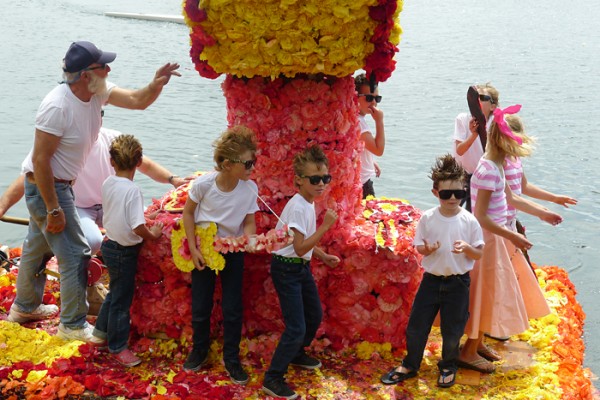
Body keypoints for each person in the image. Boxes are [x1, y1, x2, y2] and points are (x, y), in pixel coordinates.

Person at [7, 40, 180, 344]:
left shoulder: (98, 92)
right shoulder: (57, 106)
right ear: (86, 74)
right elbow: (39, 160)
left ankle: (24, 307)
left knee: (36, 247)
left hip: (61, 186)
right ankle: (72, 323)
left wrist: (156, 83)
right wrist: (53, 208)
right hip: (47, 186)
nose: (109, 69)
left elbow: (139, 100)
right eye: (103, 65)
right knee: (76, 252)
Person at [458, 105, 560, 373]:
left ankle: (476, 344)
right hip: (488, 239)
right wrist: (512, 235)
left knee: (489, 292)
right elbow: (480, 216)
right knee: (484, 293)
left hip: (497, 236)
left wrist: (543, 213)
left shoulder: (495, 164)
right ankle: (468, 351)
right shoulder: (488, 170)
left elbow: (512, 198)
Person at [380, 154, 484, 388]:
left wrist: (467, 248)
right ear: (435, 192)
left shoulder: (469, 220)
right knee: (417, 326)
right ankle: (410, 363)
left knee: (452, 330)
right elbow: (419, 248)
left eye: (459, 193)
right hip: (431, 281)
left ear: (464, 191)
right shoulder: (428, 218)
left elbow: (478, 253)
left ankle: (448, 364)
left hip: (458, 283)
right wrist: (427, 248)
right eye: (447, 194)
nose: (453, 198)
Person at [1, 126, 190, 254]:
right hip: (80, 208)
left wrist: (173, 180)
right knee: (92, 241)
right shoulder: (56, 145)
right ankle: (86, 274)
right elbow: (30, 177)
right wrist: (2, 207)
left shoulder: (113, 140)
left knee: (155, 220)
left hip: (111, 204)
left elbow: (145, 165)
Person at [181, 126, 259, 385]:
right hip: (203, 249)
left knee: (232, 307)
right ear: (227, 164)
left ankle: (232, 358)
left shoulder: (250, 188)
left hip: (233, 253)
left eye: (254, 161)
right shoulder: (204, 184)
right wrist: (193, 248)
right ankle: (199, 351)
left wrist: (250, 237)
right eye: (247, 162)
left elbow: (249, 221)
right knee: (201, 305)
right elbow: (188, 213)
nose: (252, 167)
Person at [262, 145, 340, 400]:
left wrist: (322, 255)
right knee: (296, 327)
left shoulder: (308, 203)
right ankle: (273, 378)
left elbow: (304, 243)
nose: (321, 184)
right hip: (287, 269)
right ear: (299, 181)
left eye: (325, 179)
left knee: (314, 315)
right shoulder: (298, 206)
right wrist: (326, 226)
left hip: (300, 267)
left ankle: (295, 354)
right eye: (314, 179)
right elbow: (298, 246)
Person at [89, 134, 163, 367]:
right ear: (138, 162)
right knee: (122, 299)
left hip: (109, 245)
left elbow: (122, 211)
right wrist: (153, 235)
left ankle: (100, 333)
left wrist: (143, 215)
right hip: (124, 251)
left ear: (112, 161)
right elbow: (137, 227)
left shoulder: (108, 183)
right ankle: (118, 347)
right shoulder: (132, 190)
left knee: (115, 292)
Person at [452, 83, 498, 211]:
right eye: (477, 96)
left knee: (479, 216)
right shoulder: (463, 119)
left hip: (484, 177)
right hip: (461, 177)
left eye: (482, 97)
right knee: (454, 215)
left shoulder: (495, 124)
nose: (478, 100)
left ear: (492, 106)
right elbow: (460, 150)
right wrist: (474, 135)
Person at [355, 73, 385, 199]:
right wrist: (379, 121)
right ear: (355, 96)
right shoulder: (359, 122)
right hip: (362, 184)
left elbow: (359, 146)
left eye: (376, 99)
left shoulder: (357, 117)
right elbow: (379, 150)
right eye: (368, 98)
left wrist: (370, 161)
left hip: (361, 180)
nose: (373, 102)